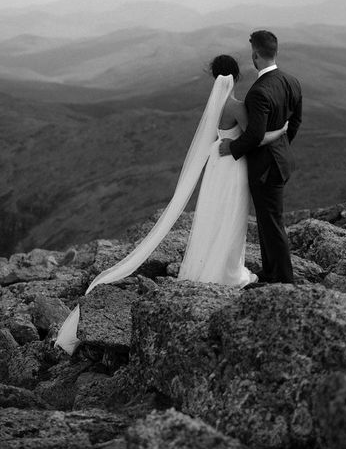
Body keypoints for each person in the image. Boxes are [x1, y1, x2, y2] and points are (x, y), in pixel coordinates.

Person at [55, 54, 287, 355]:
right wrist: (280, 132)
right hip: (231, 168)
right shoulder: (236, 105)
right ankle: (226, 271)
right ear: (236, 77)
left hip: (218, 166)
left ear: (214, 76)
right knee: (231, 218)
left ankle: (212, 264)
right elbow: (254, 138)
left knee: (216, 216)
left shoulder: (215, 104)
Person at [219, 30, 302, 286]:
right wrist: (281, 145)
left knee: (272, 222)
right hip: (281, 161)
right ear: (275, 52)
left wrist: (231, 148)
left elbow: (254, 135)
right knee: (268, 221)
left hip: (266, 167)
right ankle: (270, 271)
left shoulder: (258, 91)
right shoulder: (291, 81)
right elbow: (295, 122)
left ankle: (284, 280)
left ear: (255, 55)